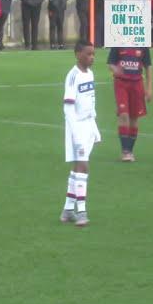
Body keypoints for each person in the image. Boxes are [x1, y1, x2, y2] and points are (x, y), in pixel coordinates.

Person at [60, 41, 100, 227]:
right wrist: (76, 133)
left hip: (88, 126)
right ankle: (82, 212)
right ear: (77, 54)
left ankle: (68, 210)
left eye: (93, 54)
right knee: (84, 166)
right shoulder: (73, 76)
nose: (91, 57)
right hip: (76, 128)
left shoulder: (90, 74)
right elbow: (68, 108)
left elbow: (90, 103)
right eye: (88, 54)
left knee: (78, 167)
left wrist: (95, 128)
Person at [107, 46, 153, 162]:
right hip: (121, 84)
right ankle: (125, 151)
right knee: (123, 115)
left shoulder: (142, 43)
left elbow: (148, 65)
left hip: (137, 84)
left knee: (134, 118)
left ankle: (130, 150)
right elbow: (110, 63)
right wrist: (115, 69)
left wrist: (149, 87)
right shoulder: (118, 42)